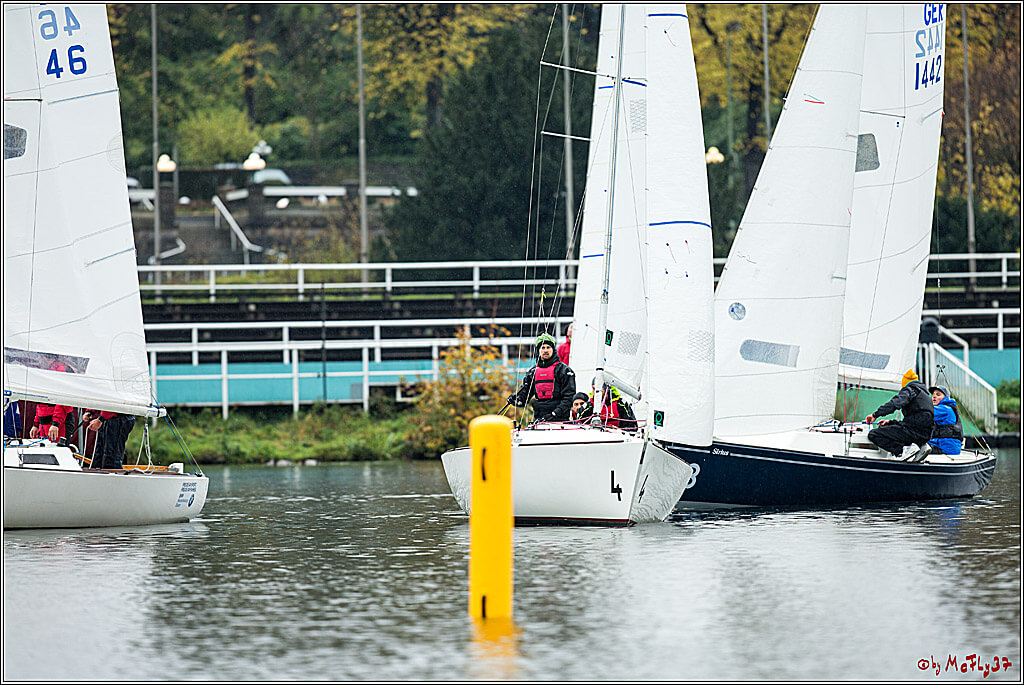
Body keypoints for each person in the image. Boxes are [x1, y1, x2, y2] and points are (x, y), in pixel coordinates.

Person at [865, 369, 935, 462]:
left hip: (913, 431)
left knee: (874, 434)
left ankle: (901, 451)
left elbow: (895, 403)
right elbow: (913, 420)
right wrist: (890, 422)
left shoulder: (909, 390)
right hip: (925, 435)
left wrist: (875, 415)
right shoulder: (925, 395)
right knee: (899, 430)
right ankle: (918, 447)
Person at [509, 333, 576, 422]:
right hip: (539, 418)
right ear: (538, 350)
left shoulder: (564, 371)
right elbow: (524, 397)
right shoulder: (532, 372)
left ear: (553, 349)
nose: (545, 350)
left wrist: (555, 413)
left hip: (560, 419)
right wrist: (516, 399)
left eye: (548, 347)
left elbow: (569, 397)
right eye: (542, 348)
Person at [928, 385, 963, 456]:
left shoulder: (945, 409)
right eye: (933, 395)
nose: (934, 397)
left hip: (946, 449)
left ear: (945, 398)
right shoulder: (947, 408)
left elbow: (925, 413)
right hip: (943, 446)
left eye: (938, 395)